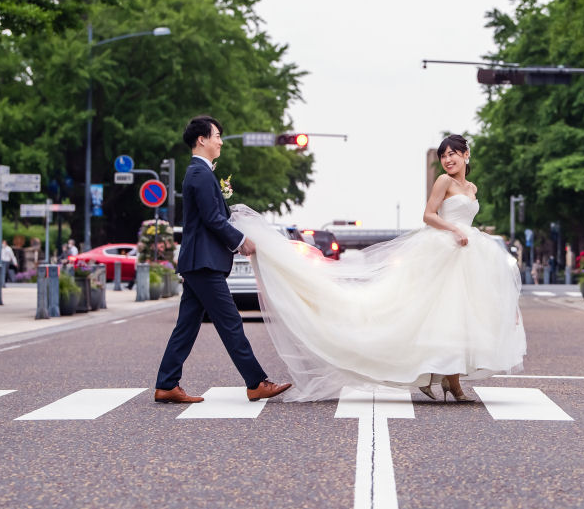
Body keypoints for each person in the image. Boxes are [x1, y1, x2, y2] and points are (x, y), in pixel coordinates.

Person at [230, 134, 525, 402]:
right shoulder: (443, 183)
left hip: (465, 253)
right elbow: (428, 216)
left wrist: (464, 234)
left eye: (453, 154)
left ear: (466, 155)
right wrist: (454, 230)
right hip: (443, 248)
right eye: (443, 155)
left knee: (456, 319)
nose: (448, 159)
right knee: (429, 316)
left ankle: (449, 380)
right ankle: (438, 378)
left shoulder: (471, 187)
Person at [154, 115, 291, 404]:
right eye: (216, 135)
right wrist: (241, 241)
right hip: (204, 263)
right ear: (201, 139)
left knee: (187, 326)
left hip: (198, 262)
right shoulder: (200, 174)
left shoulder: (200, 173)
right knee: (230, 323)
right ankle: (256, 382)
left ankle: (166, 384)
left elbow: (213, 216)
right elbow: (213, 218)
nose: (220, 141)